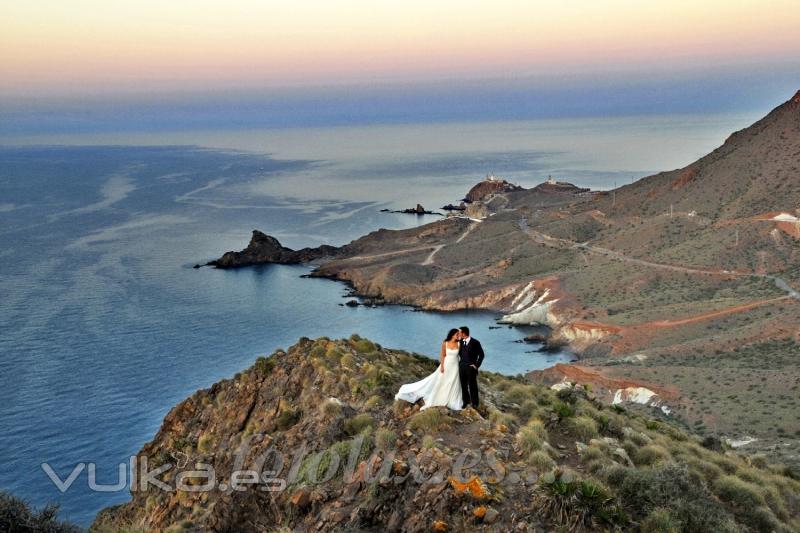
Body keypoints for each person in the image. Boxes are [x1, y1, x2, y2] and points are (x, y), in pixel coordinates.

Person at [395, 328, 463, 410]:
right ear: (452, 335)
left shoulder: (459, 344)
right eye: (457, 334)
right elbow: (443, 355)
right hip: (446, 365)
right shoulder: (445, 343)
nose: (458, 336)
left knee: (453, 382)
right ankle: (439, 397)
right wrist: (442, 366)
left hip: (455, 366)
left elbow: (463, 355)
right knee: (441, 381)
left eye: (459, 335)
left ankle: (452, 399)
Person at [458, 326, 484, 409]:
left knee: (472, 385)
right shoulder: (460, 342)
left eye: (460, 332)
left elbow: (482, 355)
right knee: (463, 385)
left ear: (464, 333)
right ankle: (466, 402)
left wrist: (476, 365)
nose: (458, 334)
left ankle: (475, 403)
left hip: (471, 368)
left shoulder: (475, 342)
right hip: (462, 367)